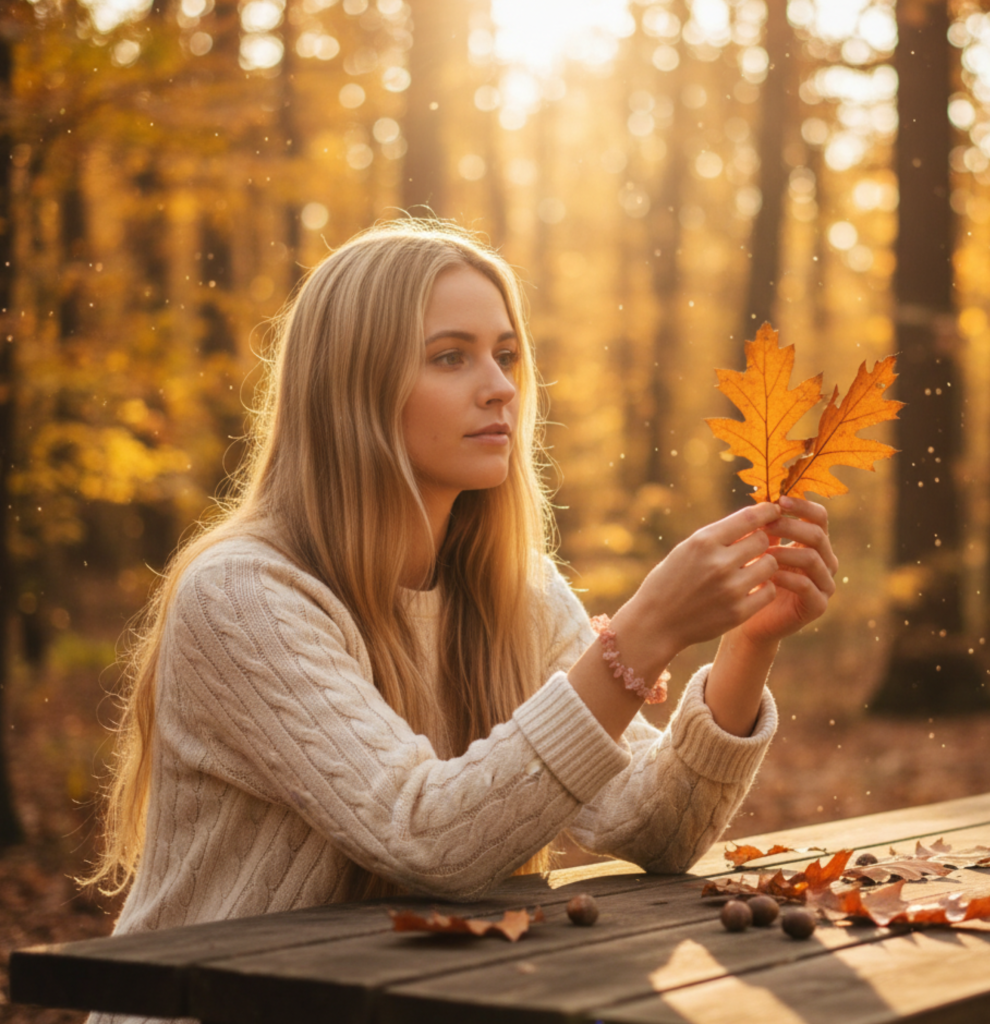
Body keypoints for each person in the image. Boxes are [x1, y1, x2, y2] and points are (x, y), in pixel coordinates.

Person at [84, 220, 837, 1022]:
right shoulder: (244, 596)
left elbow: (652, 825)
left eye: (505, 355)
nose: (500, 386)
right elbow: (426, 836)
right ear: (353, 389)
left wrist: (747, 644)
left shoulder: (516, 589)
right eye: (452, 356)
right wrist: (642, 633)